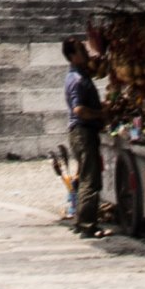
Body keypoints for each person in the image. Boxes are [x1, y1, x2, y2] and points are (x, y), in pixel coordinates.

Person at [61, 37, 107, 235]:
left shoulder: (79, 76)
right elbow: (79, 109)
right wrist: (101, 113)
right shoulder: (78, 80)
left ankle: (81, 221)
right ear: (72, 56)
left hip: (82, 132)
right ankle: (88, 225)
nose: (86, 53)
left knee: (84, 177)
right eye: (82, 50)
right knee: (90, 179)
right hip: (83, 132)